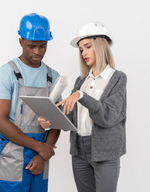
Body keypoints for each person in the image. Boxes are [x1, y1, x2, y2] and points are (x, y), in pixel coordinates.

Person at [39, 21, 127, 192]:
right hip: (79, 152)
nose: (83, 53)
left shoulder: (118, 79)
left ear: (100, 45)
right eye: (81, 49)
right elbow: (71, 118)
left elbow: (108, 116)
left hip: (105, 153)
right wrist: (50, 120)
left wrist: (81, 95)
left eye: (87, 47)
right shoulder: (81, 81)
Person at [0, 13, 61, 192]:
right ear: (21, 41)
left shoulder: (53, 77)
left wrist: (42, 156)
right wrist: (41, 148)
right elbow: (0, 121)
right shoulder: (7, 73)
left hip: (41, 156)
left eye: (42, 46)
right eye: (32, 46)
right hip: (14, 154)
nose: (38, 52)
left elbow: (57, 120)